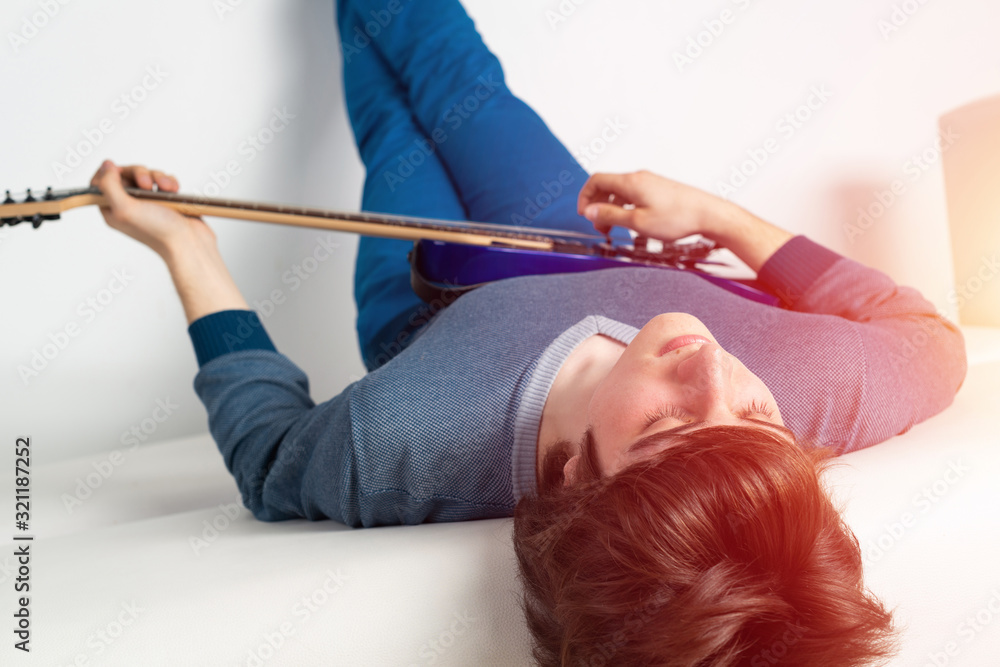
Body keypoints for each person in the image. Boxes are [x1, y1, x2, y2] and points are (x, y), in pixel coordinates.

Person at [88, 0, 967, 664]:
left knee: (388, 119)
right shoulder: (815, 395)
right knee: (454, 76)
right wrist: (720, 215)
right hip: (572, 234)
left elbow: (270, 458)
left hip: (421, 299)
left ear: (571, 477)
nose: (710, 367)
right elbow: (929, 339)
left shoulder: (396, 436)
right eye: (759, 420)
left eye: (667, 425)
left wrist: (184, 244)